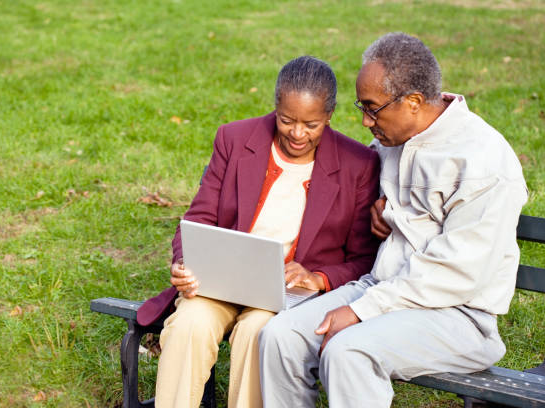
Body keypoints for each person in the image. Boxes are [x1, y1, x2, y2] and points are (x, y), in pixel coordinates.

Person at [259, 33, 528, 407]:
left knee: (348, 351)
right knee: (279, 335)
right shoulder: (395, 137)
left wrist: (359, 310)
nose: (366, 122)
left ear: (414, 102)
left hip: (459, 315)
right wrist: (378, 205)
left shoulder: (482, 163)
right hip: (381, 288)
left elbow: (456, 272)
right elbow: (365, 187)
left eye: (372, 109)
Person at [136, 56, 381, 408]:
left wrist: (318, 277)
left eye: (311, 124)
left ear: (329, 115)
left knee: (257, 333)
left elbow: (364, 258)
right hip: (222, 280)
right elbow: (199, 217)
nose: (298, 134)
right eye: (286, 120)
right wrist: (186, 262)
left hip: (283, 296)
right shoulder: (235, 139)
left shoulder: (358, 164)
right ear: (275, 106)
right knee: (190, 323)